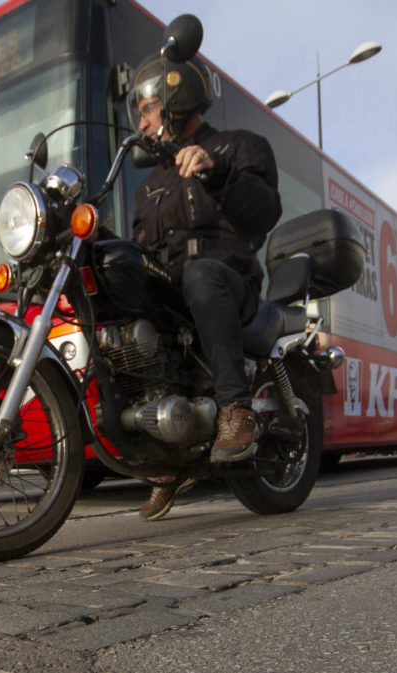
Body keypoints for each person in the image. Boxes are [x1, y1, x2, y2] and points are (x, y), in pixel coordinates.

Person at [127, 53, 282, 520]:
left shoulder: (239, 146)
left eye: (147, 108)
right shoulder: (149, 184)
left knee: (200, 272)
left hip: (229, 283)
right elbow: (141, 247)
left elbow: (263, 213)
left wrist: (218, 172)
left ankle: (235, 407)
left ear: (175, 101)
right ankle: (164, 445)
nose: (141, 119)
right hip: (176, 293)